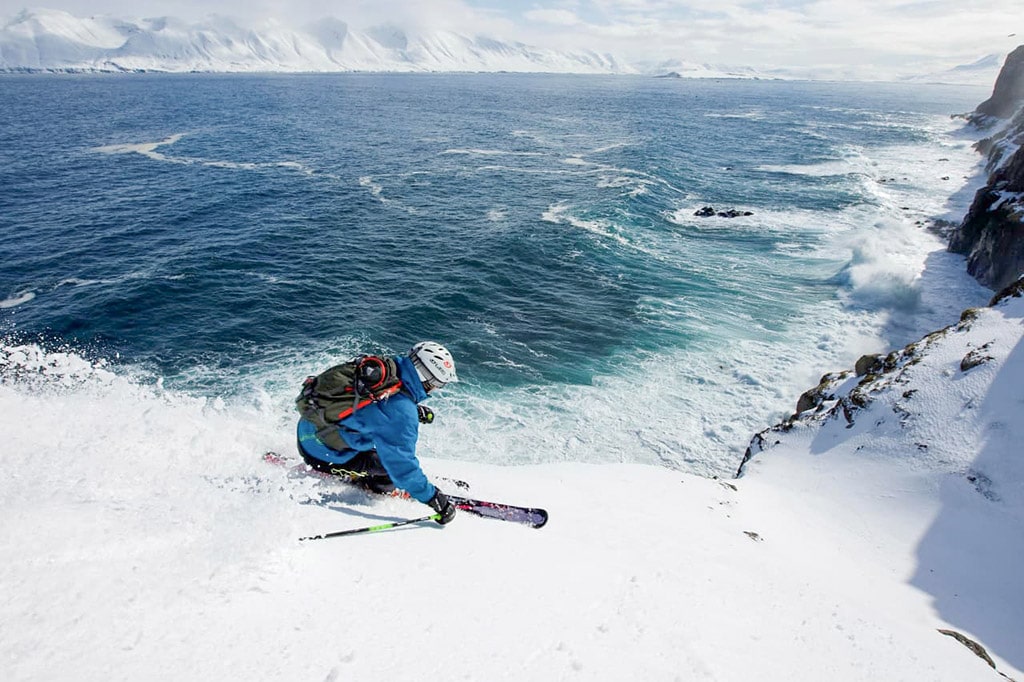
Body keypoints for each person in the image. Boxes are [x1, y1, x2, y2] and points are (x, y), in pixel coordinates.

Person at [296, 341, 459, 525]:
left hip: (308, 428)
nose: (437, 388)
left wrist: (412, 410)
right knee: (387, 469)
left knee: (382, 443)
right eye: (439, 383)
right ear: (428, 380)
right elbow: (403, 469)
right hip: (322, 455)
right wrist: (436, 500)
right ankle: (374, 486)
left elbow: (371, 408)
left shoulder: (383, 371)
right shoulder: (402, 415)